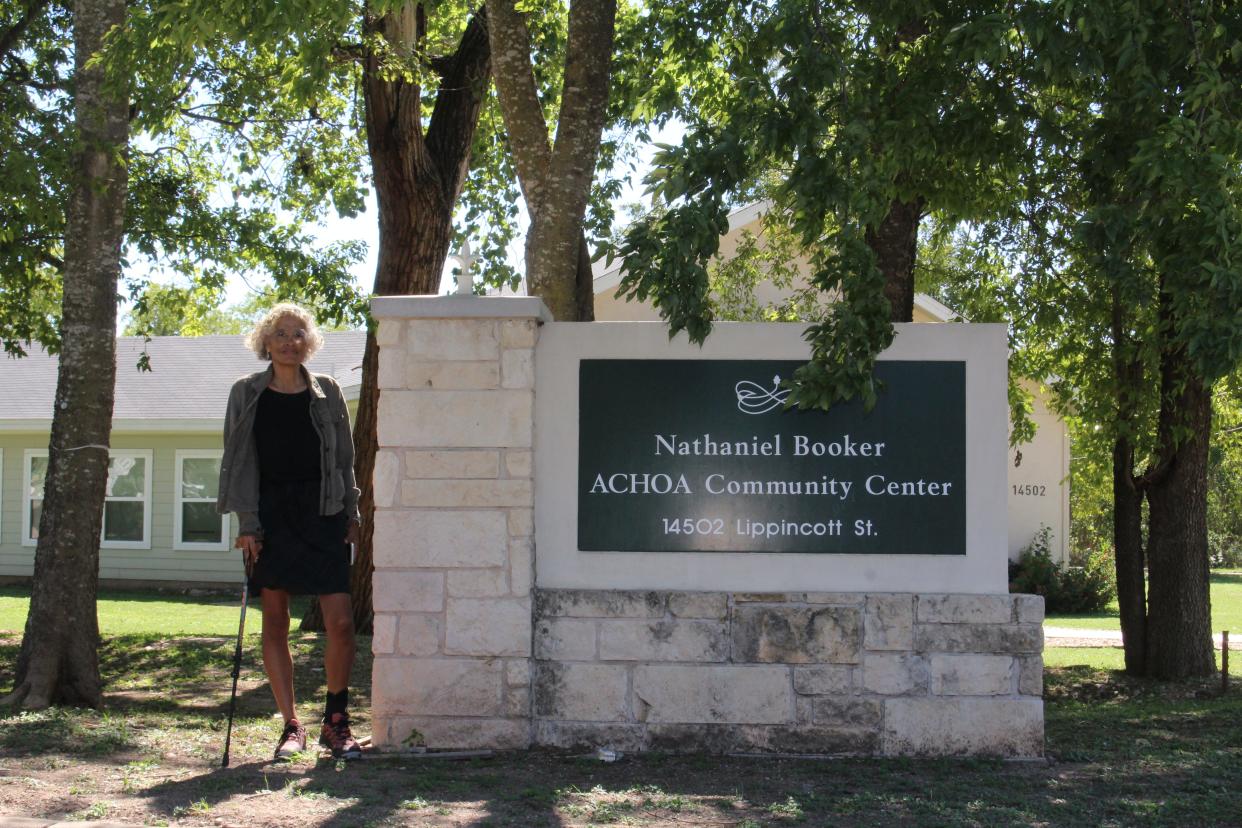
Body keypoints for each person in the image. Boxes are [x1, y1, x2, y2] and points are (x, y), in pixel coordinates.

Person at [217, 303, 363, 760]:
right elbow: (239, 460)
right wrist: (247, 523)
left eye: (298, 333)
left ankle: (336, 721)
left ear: (309, 342)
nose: (289, 341)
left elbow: (344, 459)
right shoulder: (246, 392)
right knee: (275, 622)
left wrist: (352, 513)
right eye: (280, 333)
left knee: (340, 623)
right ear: (266, 342)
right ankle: (291, 726)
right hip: (270, 514)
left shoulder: (329, 392)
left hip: (324, 511)